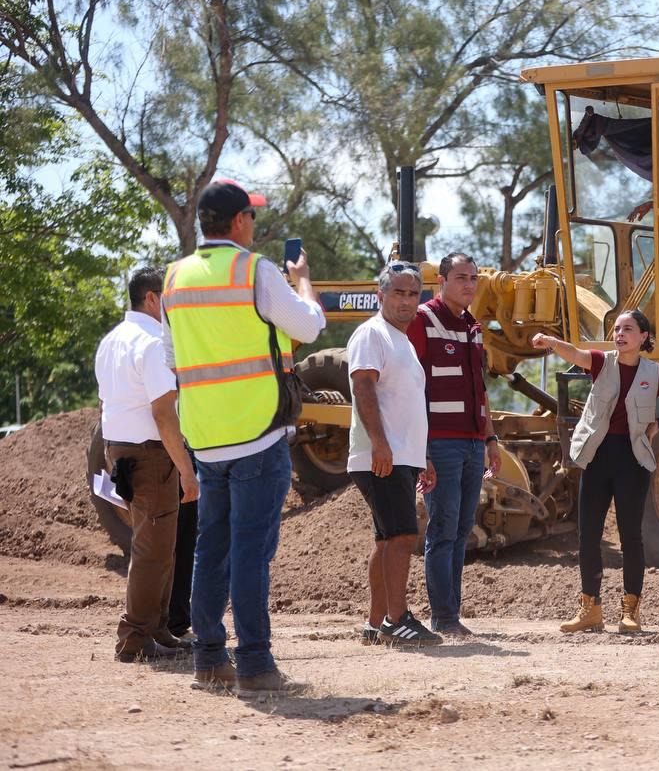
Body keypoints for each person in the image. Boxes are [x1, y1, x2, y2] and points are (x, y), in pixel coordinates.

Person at [161, 178, 325, 697]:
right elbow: (310, 327)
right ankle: (255, 664)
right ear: (237, 222)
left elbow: (172, 360)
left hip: (206, 437)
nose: (254, 223)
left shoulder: (174, 278)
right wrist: (302, 282)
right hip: (257, 433)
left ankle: (209, 659)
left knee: (211, 550)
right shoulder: (255, 270)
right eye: (251, 216)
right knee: (251, 552)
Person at [531, 310, 659, 633]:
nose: (620, 334)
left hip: (632, 460)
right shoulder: (600, 362)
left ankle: (631, 610)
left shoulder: (657, 373)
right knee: (589, 535)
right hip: (597, 457)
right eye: (617, 329)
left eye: (628, 329)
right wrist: (552, 342)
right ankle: (590, 608)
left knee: (630, 537)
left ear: (644, 338)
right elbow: (575, 353)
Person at [95, 267, 201, 662]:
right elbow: (163, 413)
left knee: (160, 547)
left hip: (120, 450)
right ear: (153, 299)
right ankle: (136, 637)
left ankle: (156, 630)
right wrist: (186, 470)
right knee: (153, 550)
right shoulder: (154, 342)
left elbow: (109, 404)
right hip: (151, 454)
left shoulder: (110, 341)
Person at [407, 252, 501, 636]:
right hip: (440, 444)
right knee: (442, 529)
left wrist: (491, 438)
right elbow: (410, 388)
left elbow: (480, 391)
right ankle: (443, 618)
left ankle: (451, 614)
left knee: (462, 530)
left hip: (474, 443)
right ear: (441, 281)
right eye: (461, 277)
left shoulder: (474, 327)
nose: (468, 284)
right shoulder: (423, 320)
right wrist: (422, 448)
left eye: (473, 278)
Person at [348, 262, 441, 647]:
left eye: (412, 294)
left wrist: (423, 456)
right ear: (380, 295)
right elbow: (363, 388)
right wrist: (381, 444)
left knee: (388, 540)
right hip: (381, 455)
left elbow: (406, 404)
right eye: (398, 292)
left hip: (401, 455)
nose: (406, 300)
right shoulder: (372, 334)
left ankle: (376, 623)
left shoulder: (399, 340)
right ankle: (397, 619)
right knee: (402, 535)